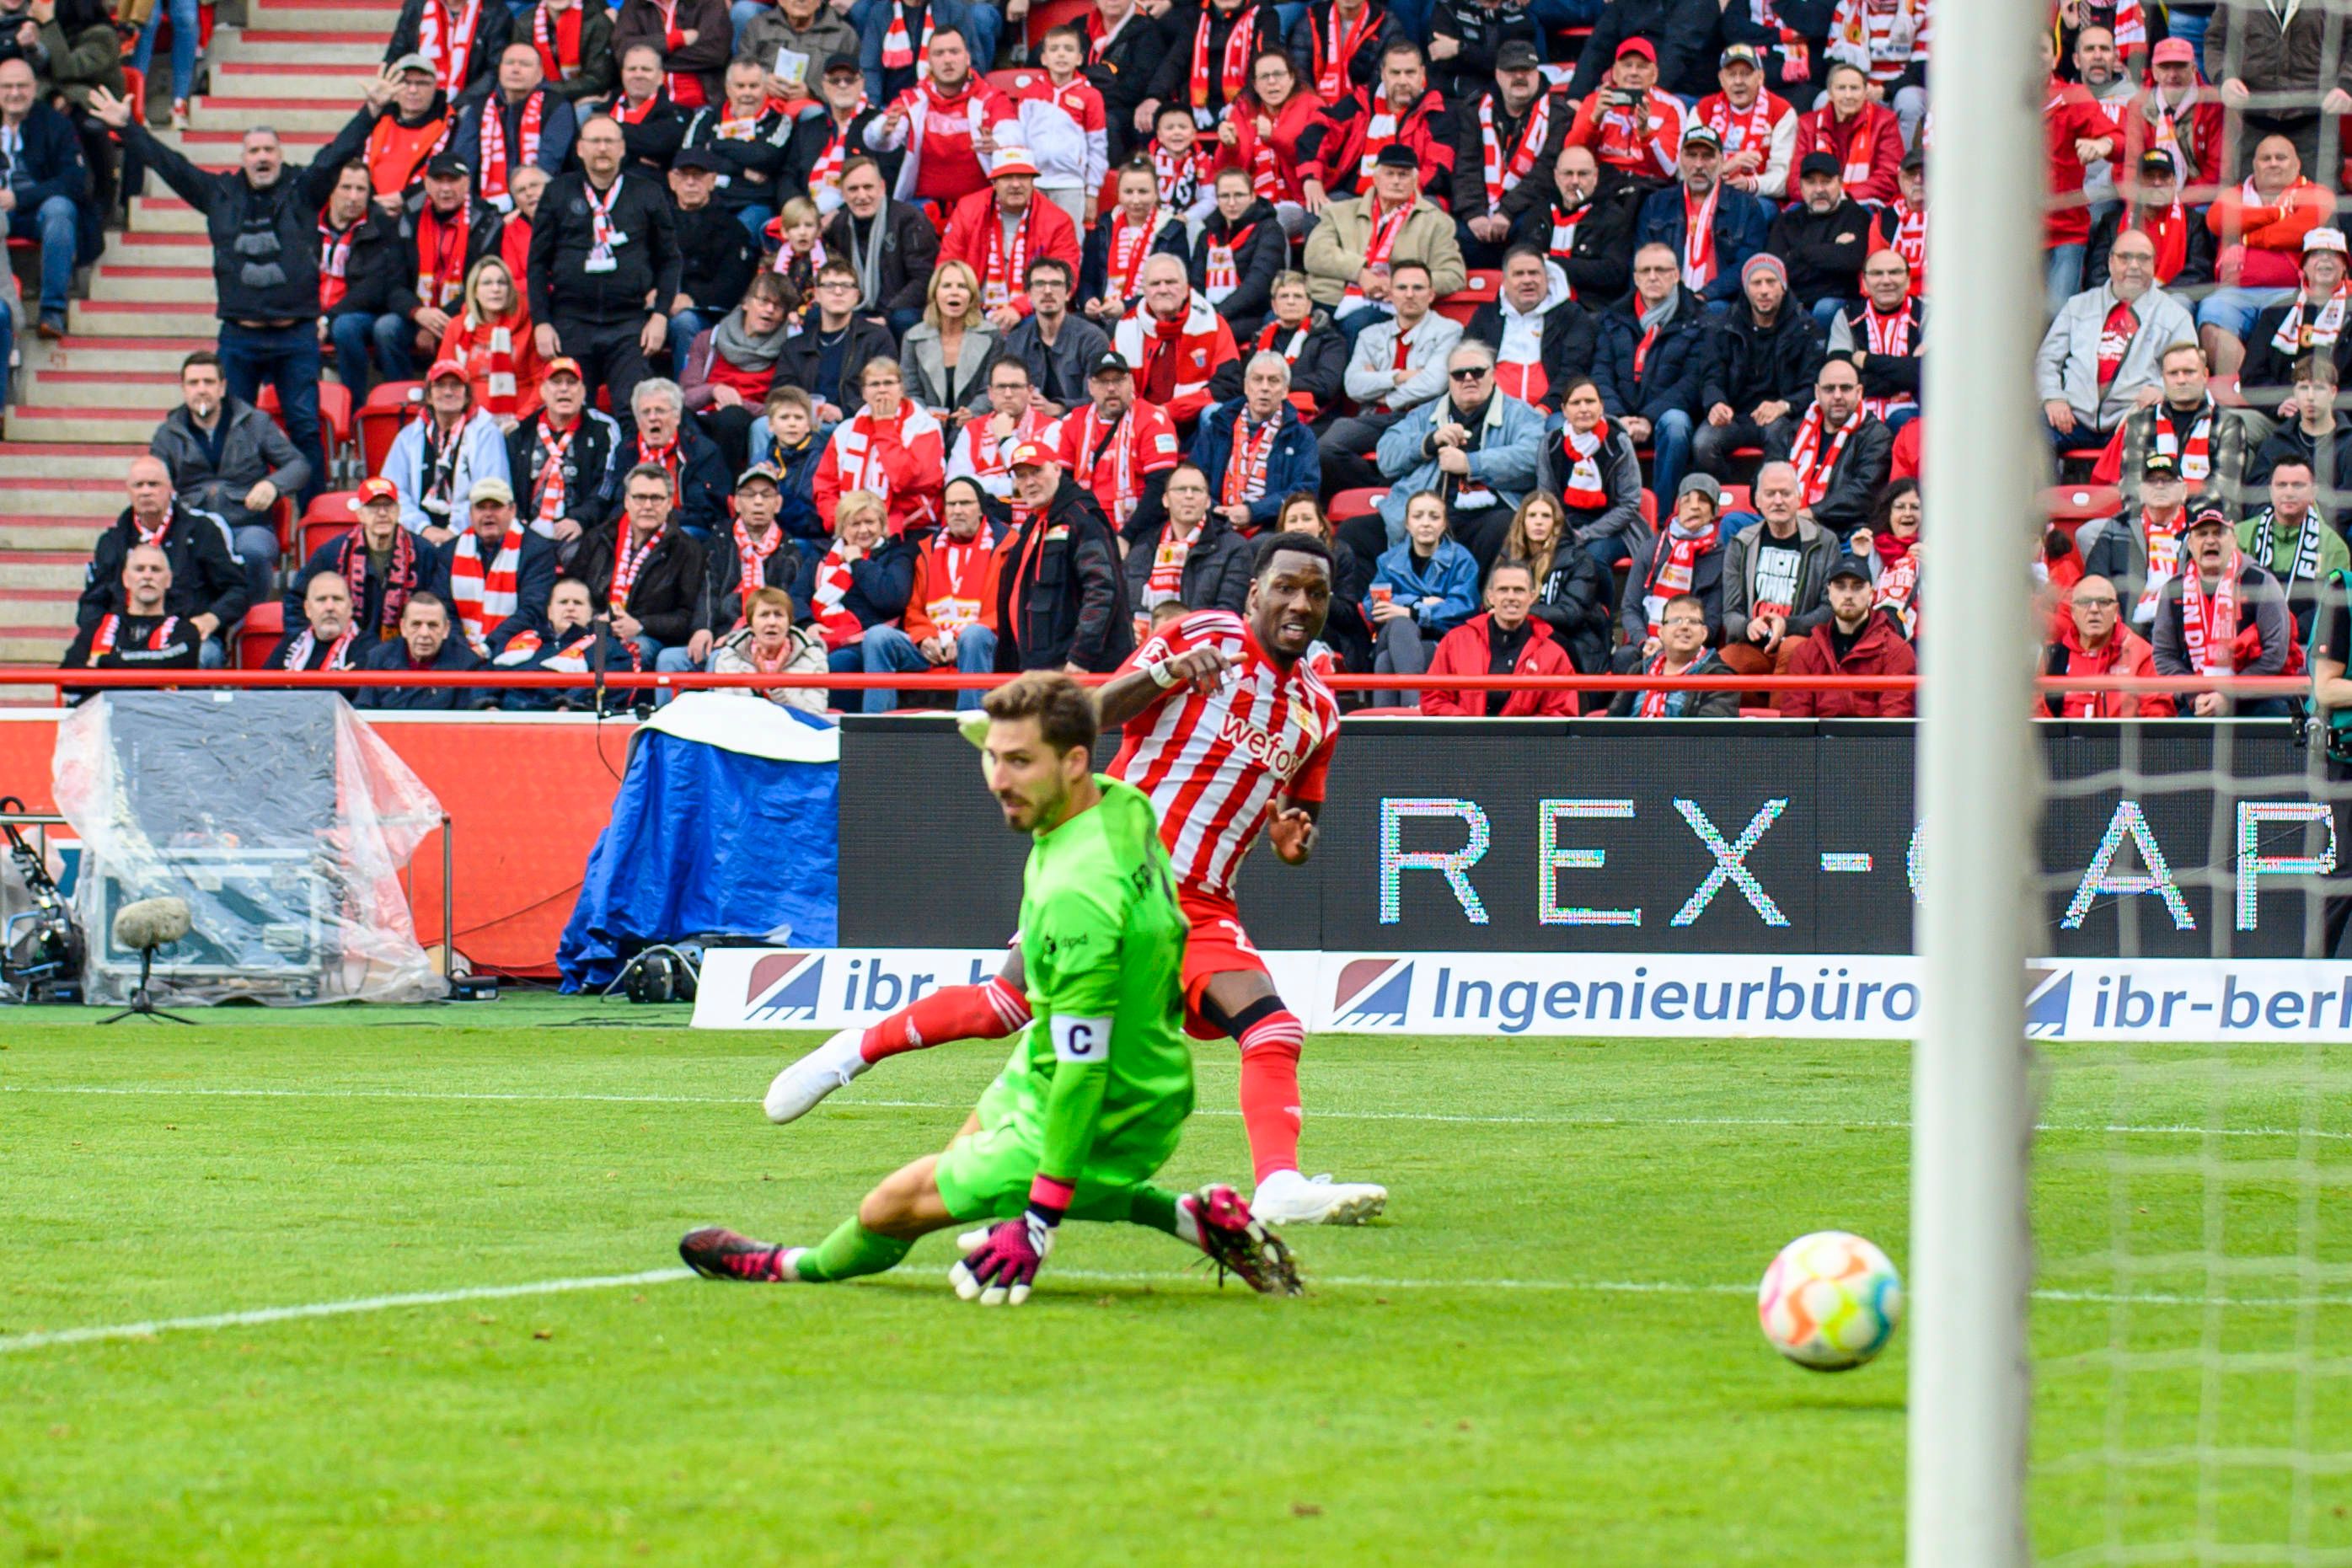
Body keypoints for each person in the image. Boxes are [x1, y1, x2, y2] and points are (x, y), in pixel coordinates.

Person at [781, 538, 1387, 1228]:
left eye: (1315, 593)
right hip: (1109, 867)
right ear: (1255, 592)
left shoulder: (1319, 711)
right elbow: (1090, 715)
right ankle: (852, 1050)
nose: (1300, 604)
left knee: (1272, 1026)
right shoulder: (1202, 634)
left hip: (1198, 904)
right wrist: (1167, 672)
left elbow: (1298, 821)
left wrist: (1291, 842)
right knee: (1001, 1008)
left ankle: (1278, 1184)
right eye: (1286, 587)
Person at [694, 672, 1308, 1295]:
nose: (997, 780)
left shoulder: (1078, 895)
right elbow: (1166, 935)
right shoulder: (1125, 805)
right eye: (993, 757)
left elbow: (1084, 1072)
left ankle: (787, 1266)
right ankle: (1198, 1219)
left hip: (1108, 1104)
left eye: (1019, 762)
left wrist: (1038, 1221)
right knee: (967, 1153)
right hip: (1084, 1067)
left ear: (1074, 762)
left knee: (891, 1208)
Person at [88, 83, 377, 505]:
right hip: (240, 337)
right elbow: (171, 166)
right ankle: (235, 512)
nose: (262, 157)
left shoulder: (304, 188)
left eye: (269, 150)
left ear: (280, 154)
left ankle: (315, 516)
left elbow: (338, 152)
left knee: (305, 428)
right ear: (243, 158)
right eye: (254, 150)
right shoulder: (219, 193)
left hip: (295, 334)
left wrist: (373, 110)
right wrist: (128, 128)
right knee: (230, 432)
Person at [528, 113, 683, 415]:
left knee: (633, 409)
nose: (602, 148)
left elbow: (670, 259)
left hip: (629, 323)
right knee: (572, 412)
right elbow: (537, 263)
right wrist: (542, 322)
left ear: (622, 148)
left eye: (609, 141)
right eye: (595, 141)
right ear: (580, 148)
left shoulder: (647, 192)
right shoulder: (557, 192)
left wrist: (661, 315)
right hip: (571, 321)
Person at [1370, 340, 1546, 574]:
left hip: (1486, 518)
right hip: (1428, 517)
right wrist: (1430, 442)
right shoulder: (1425, 414)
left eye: (1477, 372)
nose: (1468, 378)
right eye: (1459, 374)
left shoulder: (1521, 414)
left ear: (1493, 375)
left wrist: (1471, 464)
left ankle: (1476, 596)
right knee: (1355, 532)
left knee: (1503, 525)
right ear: (1449, 379)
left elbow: (1533, 456)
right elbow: (1386, 456)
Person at [148, 351, 308, 607]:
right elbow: (153, 478)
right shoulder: (168, 434)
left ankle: (251, 617)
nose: (202, 390)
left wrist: (272, 485)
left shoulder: (255, 423)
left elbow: (299, 465)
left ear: (222, 387)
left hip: (247, 525)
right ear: (184, 389)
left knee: (254, 552)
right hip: (193, 527)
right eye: (194, 383)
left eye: (209, 382)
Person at [77, 457, 248, 669]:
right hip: (126, 636)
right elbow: (92, 603)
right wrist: (97, 637)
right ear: (129, 491)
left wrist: (212, 618)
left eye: (153, 484)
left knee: (202, 654)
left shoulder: (203, 530)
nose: (146, 492)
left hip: (188, 636)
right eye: (139, 485)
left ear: (170, 489)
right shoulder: (112, 541)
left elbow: (238, 589)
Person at [2036, 231, 2197, 452]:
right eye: (2125, 257)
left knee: (2158, 429)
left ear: (2154, 264)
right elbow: (2047, 360)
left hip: (2133, 419)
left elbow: (2190, 369)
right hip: (2073, 417)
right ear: (2110, 262)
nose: (2134, 266)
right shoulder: (2078, 306)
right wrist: (2053, 398)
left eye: (2143, 258)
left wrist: (2162, 390)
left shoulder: (2175, 316)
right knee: (2031, 433)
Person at [1321, 258, 1461, 496]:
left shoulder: (1449, 330)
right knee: (1327, 447)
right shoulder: (1370, 335)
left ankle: (1385, 493)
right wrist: (1399, 377)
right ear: (1391, 294)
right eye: (1402, 288)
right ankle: (1378, 488)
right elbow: (1353, 385)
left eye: (1418, 288)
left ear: (1431, 294)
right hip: (1374, 418)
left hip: (1422, 418)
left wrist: (1385, 396)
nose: (1409, 294)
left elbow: (1434, 383)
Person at [1301, 142, 1465, 344]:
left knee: (1359, 323)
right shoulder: (1339, 211)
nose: (1396, 181)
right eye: (1390, 174)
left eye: (1403, 175)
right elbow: (1315, 254)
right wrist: (1360, 273)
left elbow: (1453, 275)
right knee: (1279, 318)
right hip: (1330, 297)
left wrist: (1402, 285)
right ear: (1376, 179)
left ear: (1415, 180)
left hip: (1389, 305)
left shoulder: (1436, 222)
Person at [860, 474, 999, 709]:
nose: (957, 511)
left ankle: (971, 727)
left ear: (981, 509)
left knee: (974, 636)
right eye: (951, 504)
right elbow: (914, 609)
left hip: (982, 645)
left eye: (965, 503)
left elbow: (1008, 610)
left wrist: (959, 639)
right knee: (877, 637)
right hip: (933, 645)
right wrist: (925, 637)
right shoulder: (928, 550)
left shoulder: (1005, 546)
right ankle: (876, 727)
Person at [994, 440, 1133, 671]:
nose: (1029, 482)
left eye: (1037, 472)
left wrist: (1081, 657)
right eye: (1021, 476)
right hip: (1039, 666)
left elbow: (1101, 589)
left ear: (1058, 469)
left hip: (1073, 671)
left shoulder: (1081, 518)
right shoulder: (1034, 523)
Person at [2198, 135, 2331, 374]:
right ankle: (2241, 388)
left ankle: (2261, 389)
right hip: (2234, 293)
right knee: (2211, 322)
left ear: (2297, 164)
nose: (2273, 163)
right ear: (2254, 164)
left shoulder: (2313, 193)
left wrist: (2244, 236)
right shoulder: (2235, 193)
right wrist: (2278, 214)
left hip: (2288, 293)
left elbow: (2296, 232)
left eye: (2281, 158)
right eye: (2265, 158)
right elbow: (2217, 220)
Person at [2151, 506, 2296, 719]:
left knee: (2275, 714)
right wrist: (2194, 696)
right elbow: (2164, 656)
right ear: (2190, 544)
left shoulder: (2260, 581)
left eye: (2218, 533)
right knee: (2180, 728)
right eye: (2202, 534)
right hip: (2200, 701)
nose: (2210, 541)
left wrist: (2228, 696)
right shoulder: (2173, 590)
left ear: (2234, 540)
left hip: (2257, 698)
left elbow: (2275, 654)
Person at [1692, 254, 1825, 483]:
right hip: (1734, 415)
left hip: (1781, 415)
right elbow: (1711, 375)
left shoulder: (1805, 328)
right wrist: (1716, 403)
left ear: (1783, 286)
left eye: (1771, 282)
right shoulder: (1724, 325)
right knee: (1703, 444)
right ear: (1746, 289)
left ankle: (1763, 496)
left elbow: (1814, 385)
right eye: (1756, 283)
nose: (1764, 290)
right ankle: (1732, 494)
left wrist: (1784, 406)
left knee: (1780, 439)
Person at [1592, 242, 1707, 502]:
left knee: (1676, 424)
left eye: (1661, 270)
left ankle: (1662, 516)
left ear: (1676, 275)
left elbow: (1693, 382)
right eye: (1645, 271)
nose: (1653, 277)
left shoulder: (1700, 319)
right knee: (1584, 422)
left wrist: (1648, 418)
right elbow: (1601, 373)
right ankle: (1605, 512)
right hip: (1619, 416)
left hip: (1665, 419)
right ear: (1635, 277)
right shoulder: (1613, 317)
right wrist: (1618, 417)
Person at [283, 476, 450, 647]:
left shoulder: (424, 552)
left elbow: (443, 605)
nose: (382, 513)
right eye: (373, 507)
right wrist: (312, 645)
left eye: (388, 506)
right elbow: (297, 601)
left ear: (399, 511)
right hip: (345, 650)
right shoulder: (332, 552)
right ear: (360, 514)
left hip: (407, 650)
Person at [578, 463, 711, 673]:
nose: (648, 506)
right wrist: (594, 617)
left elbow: (687, 616)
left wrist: (641, 625)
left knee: (632, 648)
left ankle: (604, 694)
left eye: (656, 498)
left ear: (670, 503)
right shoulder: (599, 538)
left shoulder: (688, 549)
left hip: (649, 638)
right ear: (627, 501)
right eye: (640, 497)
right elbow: (574, 588)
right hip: (595, 629)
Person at [862, 29, 1015, 211]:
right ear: (929, 62)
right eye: (939, 53)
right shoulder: (913, 99)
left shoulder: (991, 98)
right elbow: (874, 140)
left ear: (967, 58)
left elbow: (1014, 136)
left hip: (981, 206)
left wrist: (998, 144)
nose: (947, 60)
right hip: (923, 206)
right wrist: (883, 131)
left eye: (954, 52)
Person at [1295, 37, 1453, 211]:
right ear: (1383, 73)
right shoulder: (1361, 101)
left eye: (1410, 73)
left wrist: (1392, 193)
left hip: (1413, 196)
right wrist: (1312, 178)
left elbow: (1439, 170)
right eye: (1395, 73)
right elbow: (1318, 131)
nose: (1402, 81)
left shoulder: (1437, 111)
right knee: (1317, 211)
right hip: (1356, 196)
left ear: (1422, 73)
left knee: (1428, 210)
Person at [2202, 1, 2352, 179]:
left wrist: (2346, 85)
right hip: (2254, 122)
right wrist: (2224, 78)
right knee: (2248, 195)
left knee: (2321, 195)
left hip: (2315, 123)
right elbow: (2215, 41)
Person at [1449, 38, 1563, 270]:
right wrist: (1474, 214)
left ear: (1537, 73)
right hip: (1481, 210)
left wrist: (1507, 212)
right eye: (1511, 71)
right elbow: (1466, 167)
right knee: (1449, 233)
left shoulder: (1559, 115)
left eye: (1526, 70)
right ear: (1498, 75)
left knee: (1533, 224)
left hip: (1526, 209)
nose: (1519, 76)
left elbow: (1545, 174)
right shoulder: (1474, 110)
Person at [390, 152, 508, 376]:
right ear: (426, 183)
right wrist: (419, 313)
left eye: (453, 180)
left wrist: (438, 323)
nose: (445, 189)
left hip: (466, 313)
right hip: (418, 314)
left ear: (467, 183)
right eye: (438, 180)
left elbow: (483, 285)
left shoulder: (487, 220)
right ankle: (398, 392)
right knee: (387, 328)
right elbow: (393, 282)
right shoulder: (408, 217)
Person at [1720, 460, 1837, 677]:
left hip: (1801, 640)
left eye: (1785, 493)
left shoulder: (1825, 541)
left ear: (1799, 498)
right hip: (1753, 644)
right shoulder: (1741, 542)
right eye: (1770, 494)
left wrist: (1788, 625)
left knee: (1792, 650)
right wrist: (1748, 626)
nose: (1778, 501)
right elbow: (1730, 613)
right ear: (1757, 500)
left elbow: (1829, 609)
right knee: (1723, 665)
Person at [1635, 125, 1772, 311]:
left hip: (1717, 301)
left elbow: (1745, 265)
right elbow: (1641, 258)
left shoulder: (1746, 206)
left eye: (1707, 156)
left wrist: (1704, 295)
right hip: (1663, 298)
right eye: (1692, 156)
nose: (1699, 165)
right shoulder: (1656, 203)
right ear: (1680, 159)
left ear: (1721, 161)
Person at [1417, 558, 1576, 716]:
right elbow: (1434, 699)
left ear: (1532, 597)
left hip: (1523, 735)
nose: (1511, 597)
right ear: (1490, 596)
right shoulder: (1456, 642)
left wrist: (1518, 730)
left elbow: (1560, 713)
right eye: (1503, 590)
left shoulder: (1553, 654)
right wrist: (1470, 726)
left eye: (1519, 590)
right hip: (1467, 733)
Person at [2104, 339, 2246, 511]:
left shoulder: (2228, 423)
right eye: (2173, 373)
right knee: (2092, 528)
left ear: (2205, 375)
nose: (2181, 380)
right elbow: (2132, 488)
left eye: (2189, 372)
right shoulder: (2139, 422)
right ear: (2163, 378)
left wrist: (2178, 519)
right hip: (2149, 518)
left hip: (2206, 523)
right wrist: (2159, 518)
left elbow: (2222, 491)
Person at [1365, 488, 1476, 705]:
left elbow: (1464, 607)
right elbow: (1372, 605)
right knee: (1401, 625)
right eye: (1418, 516)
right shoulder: (1388, 561)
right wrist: (1417, 604)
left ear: (1444, 524)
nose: (1426, 523)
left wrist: (1410, 612)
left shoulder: (1462, 560)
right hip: (1393, 634)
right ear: (1407, 523)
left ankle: (1385, 723)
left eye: (1434, 517)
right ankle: (1415, 709)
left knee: (1385, 661)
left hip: (1442, 641)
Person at [0, 58, 85, 341]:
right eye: (7, 86)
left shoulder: (56, 124)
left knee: (60, 210)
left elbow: (74, 180)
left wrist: (19, 198)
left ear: (35, 88)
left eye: (22, 86)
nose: (15, 93)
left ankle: (51, 311)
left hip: (36, 210)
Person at [1111, 252, 1243, 433]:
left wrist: (1171, 411)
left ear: (1186, 287)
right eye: (1155, 284)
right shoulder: (1126, 328)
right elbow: (1115, 385)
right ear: (1144, 290)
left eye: (1171, 282)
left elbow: (1228, 386)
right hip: (1141, 424)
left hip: (1195, 424)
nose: (1163, 289)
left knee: (1213, 413)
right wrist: (1148, 414)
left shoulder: (1213, 324)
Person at [816, 355, 948, 535]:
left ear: (901, 389)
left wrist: (885, 424)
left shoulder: (925, 427)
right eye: (874, 384)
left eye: (888, 383)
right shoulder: (846, 430)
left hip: (911, 529)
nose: (882, 390)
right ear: (864, 392)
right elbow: (825, 486)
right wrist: (839, 521)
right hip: (851, 528)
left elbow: (905, 480)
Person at [1189, 351, 1320, 534]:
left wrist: (1253, 512)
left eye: (1273, 381)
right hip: (1215, 522)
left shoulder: (1301, 436)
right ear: (1246, 387)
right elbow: (1193, 478)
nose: (1264, 388)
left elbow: (1305, 492)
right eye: (1257, 380)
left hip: (1272, 529)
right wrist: (1216, 510)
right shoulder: (1218, 427)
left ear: (1285, 391)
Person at [1058, 350, 1181, 542]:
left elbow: (1160, 488)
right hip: (1084, 528)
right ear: (1090, 386)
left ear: (1131, 382)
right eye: (1103, 381)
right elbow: (1062, 483)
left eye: (1118, 380)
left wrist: (1126, 537)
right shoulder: (1073, 421)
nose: (1111, 388)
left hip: (1139, 532)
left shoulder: (1154, 421)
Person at [1761, 356, 1892, 537]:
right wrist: (1783, 512)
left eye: (1845, 388)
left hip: (1841, 529)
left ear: (1859, 392)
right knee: (1734, 521)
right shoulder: (1791, 431)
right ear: (1817, 393)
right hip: (1784, 522)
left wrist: (1811, 513)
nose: (1837, 396)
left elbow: (1863, 492)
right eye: (1829, 389)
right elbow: (1762, 480)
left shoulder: (1876, 436)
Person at [677, 270, 793, 473]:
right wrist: (715, 390)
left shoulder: (789, 350)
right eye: (763, 301)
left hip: (747, 423)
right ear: (746, 303)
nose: (769, 310)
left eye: (778, 306)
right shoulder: (708, 339)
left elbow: (782, 409)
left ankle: (721, 488)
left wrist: (738, 403)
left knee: (732, 418)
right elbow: (686, 396)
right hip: (704, 417)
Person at [506, 356, 624, 552]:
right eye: (556, 382)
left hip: (580, 531)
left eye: (571, 382)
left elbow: (606, 486)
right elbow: (507, 486)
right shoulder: (521, 433)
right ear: (543, 391)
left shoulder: (603, 429)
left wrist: (580, 520)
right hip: (526, 530)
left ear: (583, 391)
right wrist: (518, 521)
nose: (564, 389)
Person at [386, 360, 514, 538]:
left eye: (455, 385)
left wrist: (454, 531)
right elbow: (394, 490)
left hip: (473, 535)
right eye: (440, 386)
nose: (448, 392)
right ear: (429, 396)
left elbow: (492, 490)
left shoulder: (487, 434)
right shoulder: (408, 437)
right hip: (417, 536)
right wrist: (422, 528)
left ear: (467, 396)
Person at [794, 485, 915, 672]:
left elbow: (891, 600)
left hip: (871, 645)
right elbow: (795, 597)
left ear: (882, 524)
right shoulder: (821, 556)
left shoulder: (897, 554)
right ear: (842, 527)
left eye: (870, 522)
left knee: (836, 663)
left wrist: (857, 562)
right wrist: (807, 624)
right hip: (821, 640)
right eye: (855, 524)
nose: (864, 530)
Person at [2237, 227, 2352, 423]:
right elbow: (2251, 375)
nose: (2325, 259)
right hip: (2282, 417)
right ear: (2303, 266)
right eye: (2316, 253)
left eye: (2334, 254)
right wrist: (2281, 402)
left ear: (2344, 267)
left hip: (2342, 421)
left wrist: (2329, 407)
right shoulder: (2277, 313)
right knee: (2240, 423)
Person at [320, 160, 415, 398]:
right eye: (346, 187)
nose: (353, 197)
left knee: (346, 326)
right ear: (331, 190)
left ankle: (356, 406)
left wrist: (327, 319)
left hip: (360, 313)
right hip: (315, 314)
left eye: (361, 189)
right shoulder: (310, 224)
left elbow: (373, 289)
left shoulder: (383, 226)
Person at [1775, 558, 1915, 717]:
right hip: (1820, 734)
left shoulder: (1897, 651)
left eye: (1857, 587)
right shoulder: (1806, 653)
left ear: (1871, 594)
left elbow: (1894, 722)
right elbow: (1796, 722)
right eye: (1840, 586)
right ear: (1829, 592)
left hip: (1872, 735)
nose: (1848, 595)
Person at [433, 475, 560, 650]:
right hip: (460, 650)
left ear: (512, 510)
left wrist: (487, 647)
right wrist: (464, 651)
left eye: (496, 507)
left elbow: (532, 610)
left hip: (517, 649)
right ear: (471, 513)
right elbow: (443, 608)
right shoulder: (449, 551)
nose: (488, 514)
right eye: (481, 507)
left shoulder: (537, 551)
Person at [1122, 462, 1252, 632]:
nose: (1189, 496)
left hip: (1205, 643)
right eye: (1181, 489)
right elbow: (1125, 609)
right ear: (1165, 500)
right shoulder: (1143, 549)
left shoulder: (1234, 548)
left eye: (1197, 490)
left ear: (1208, 501)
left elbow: (1227, 614)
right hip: (1146, 644)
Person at [1460, 243, 1590, 410]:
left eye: (1534, 273)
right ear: (1504, 282)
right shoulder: (1486, 315)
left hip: (1555, 411)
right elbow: (1468, 364)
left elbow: (1573, 370)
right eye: (1519, 274)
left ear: (1546, 278)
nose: (1527, 280)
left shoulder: (1571, 315)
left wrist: (1545, 408)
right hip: (1492, 410)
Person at [1509, 141, 1640, 304]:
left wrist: (1550, 263)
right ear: (1556, 176)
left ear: (1595, 177)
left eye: (1583, 174)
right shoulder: (1538, 214)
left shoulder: (1614, 217)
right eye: (1568, 174)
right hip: (1537, 306)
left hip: (1590, 309)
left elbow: (1613, 273)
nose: (1575, 181)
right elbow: (1519, 262)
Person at [1214, 46, 1323, 241]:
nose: (1272, 81)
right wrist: (1229, 148)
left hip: (1297, 201)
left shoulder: (1312, 106)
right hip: (1249, 202)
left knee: (1272, 225)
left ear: (1292, 78)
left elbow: (1315, 156)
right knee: (1207, 226)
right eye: (1264, 77)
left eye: (1278, 74)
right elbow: (1226, 172)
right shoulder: (1243, 110)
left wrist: (1274, 137)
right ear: (1255, 85)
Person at [456, 42, 579, 213]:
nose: (515, 69)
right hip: (484, 209)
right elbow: (463, 163)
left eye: (525, 64)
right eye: (509, 63)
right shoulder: (478, 107)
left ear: (540, 73)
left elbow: (548, 165)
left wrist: (521, 211)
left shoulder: (557, 106)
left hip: (540, 206)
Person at [1500, 488, 1610, 677]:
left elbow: (1572, 613)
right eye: (1532, 515)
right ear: (1522, 522)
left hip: (1571, 645)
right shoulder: (1509, 559)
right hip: (1521, 641)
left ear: (1556, 523)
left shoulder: (1578, 559)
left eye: (1546, 516)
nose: (1539, 522)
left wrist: (1522, 612)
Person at [487, 575, 641, 708]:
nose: (570, 608)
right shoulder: (518, 642)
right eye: (563, 602)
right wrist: (487, 706)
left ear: (591, 614)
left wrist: (568, 705)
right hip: (507, 719)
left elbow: (610, 685)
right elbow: (485, 679)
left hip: (570, 722)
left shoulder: (605, 646)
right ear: (549, 611)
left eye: (578, 603)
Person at [1765, 151, 1877, 333]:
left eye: (1826, 181)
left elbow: (1850, 261)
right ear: (1801, 186)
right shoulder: (1788, 220)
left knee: (1825, 308)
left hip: (1837, 302)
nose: (1819, 190)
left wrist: (1798, 253)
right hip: (1794, 301)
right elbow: (1776, 269)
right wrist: (1831, 248)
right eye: (1811, 182)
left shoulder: (1855, 215)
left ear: (1840, 183)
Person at [822, 156, 937, 334]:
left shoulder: (909, 219)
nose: (862, 196)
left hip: (900, 309)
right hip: (856, 307)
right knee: (817, 315)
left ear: (882, 187)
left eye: (868, 187)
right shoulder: (839, 225)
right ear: (843, 194)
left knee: (903, 319)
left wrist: (887, 316)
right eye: (853, 189)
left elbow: (924, 278)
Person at [1540, 375, 1644, 570]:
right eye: (1576, 403)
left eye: (1590, 401)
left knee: (1591, 559)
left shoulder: (1619, 442)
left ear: (1601, 406)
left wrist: (1586, 534)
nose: (1584, 409)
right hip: (1566, 526)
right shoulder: (1551, 443)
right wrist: (1566, 533)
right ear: (1564, 410)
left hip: (1616, 529)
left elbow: (1629, 504)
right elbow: (1547, 498)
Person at [2236, 458, 2346, 641]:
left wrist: (2291, 631)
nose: (2289, 493)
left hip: (2307, 646)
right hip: (2248, 642)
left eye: (2298, 485)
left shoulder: (2333, 546)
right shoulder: (2240, 536)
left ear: (2313, 492)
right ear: (2270, 491)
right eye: (2281, 485)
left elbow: (2334, 608)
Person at [1618, 472, 1728, 652]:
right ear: (1678, 506)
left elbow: (1712, 623)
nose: (1694, 507)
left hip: (1694, 647)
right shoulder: (1652, 548)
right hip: (1648, 643)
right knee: (1625, 657)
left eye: (1703, 500)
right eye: (1687, 500)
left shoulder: (1721, 556)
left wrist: (1671, 646)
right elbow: (1630, 607)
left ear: (1713, 512)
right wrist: (1644, 641)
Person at [666, 150, 759, 359]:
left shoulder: (732, 229)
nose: (691, 183)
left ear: (712, 181)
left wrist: (693, 298)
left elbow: (734, 283)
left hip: (705, 312)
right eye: (684, 176)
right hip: (656, 307)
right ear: (672, 181)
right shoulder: (654, 222)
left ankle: (687, 381)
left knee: (685, 323)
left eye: (698, 176)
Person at [59, 545, 204, 679]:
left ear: (169, 580)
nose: (147, 576)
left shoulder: (186, 631)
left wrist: (103, 662)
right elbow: (68, 677)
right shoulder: (96, 628)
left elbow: (168, 663)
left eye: (155, 569)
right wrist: (142, 678)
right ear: (125, 578)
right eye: (139, 569)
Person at [2041, 573, 2174, 720]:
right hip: (2065, 735)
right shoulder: (2053, 656)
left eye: (2103, 602)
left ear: (2116, 611)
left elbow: (2158, 716)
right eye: (2085, 602)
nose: (2094, 609)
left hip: (2123, 734)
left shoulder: (2141, 653)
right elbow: (2038, 716)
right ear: (2073, 613)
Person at [437, 255, 548, 430]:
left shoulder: (528, 326)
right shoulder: (457, 327)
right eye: (487, 283)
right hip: (468, 425)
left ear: (510, 290)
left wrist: (521, 420)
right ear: (474, 291)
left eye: (502, 283)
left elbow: (542, 381)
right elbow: (444, 380)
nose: (496, 289)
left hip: (519, 425)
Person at [2087, 150, 2218, 296]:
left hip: (2173, 297)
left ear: (2174, 182)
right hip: (2121, 296)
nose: (2157, 183)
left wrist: (2155, 295)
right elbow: (2096, 275)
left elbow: (2200, 274)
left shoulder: (2194, 222)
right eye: (2149, 177)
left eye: (2164, 176)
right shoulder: (2112, 222)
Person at [1824, 248, 1923, 431]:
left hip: (1913, 409)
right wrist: (1903, 372)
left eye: (1894, 272)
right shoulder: (1847, 316)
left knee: (1903, 420)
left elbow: (1926, 373)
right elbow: (1840, 376)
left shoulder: (1927, 315)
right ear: (1864, 281)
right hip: (1859, 410)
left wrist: (1866, 360)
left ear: (1908, 280)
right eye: (1877, 273)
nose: (1886, 280)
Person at [1562, 35, 1684, 184]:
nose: (1634, 72)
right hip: (1602, 184)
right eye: (1627, 65)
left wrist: (1646, 134)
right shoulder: (1596, 101)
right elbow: (1571, 157)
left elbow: (1668, 170)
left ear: (1655, 74)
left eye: (1642, 67)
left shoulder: (1671, 107)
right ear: (1614, 72)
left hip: (1649, 186)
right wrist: (1594, 120)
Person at [1002, 255, 1111, 419]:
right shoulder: (1016, 340)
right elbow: (1003, 391)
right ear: (1029, 294)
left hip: (1079, 425)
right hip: (1029, 425)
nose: (1047, 291)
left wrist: (1059, 408)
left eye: (1056, 284)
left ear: (1068, 293)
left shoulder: (1092, 338)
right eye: (1039, 284)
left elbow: (1100, 397)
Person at [899, 260, 1004, 430]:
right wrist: (925, 416)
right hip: (924, 428)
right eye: (947, 286)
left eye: (962, 286)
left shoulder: (992, 335)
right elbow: (910, 391)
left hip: (976, 427)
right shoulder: (913, 337)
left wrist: (973, 412)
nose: (954, 292)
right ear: (935, 294)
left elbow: (991, 388)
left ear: (972, 296)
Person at [1189, 168, 1287, 341]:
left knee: (1212, 336)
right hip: (1210, 314)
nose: (1232, 203)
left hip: (1255, 315)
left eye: (1239, 195)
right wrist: (1203, 314)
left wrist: (1219, 313)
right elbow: (1196, 282)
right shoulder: (1207, 235)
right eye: (1224, 196)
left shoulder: (1269, 229)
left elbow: (1258, 283)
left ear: (1252, 197)